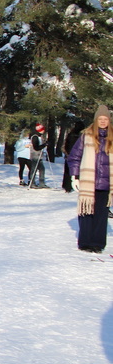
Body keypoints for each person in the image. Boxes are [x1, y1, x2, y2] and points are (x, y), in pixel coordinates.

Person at [66, 105, 112, 253]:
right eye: (100, 118)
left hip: (106, 184)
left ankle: (97, 243)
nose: (103, 121)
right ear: (96, 120)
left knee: (101, 215)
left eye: (106, 119)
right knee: (86, 212)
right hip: (88, 182)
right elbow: (74, 157)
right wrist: (75, 177)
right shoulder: (86, 136)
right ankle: (85, 242)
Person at [62, 120, 86, 193]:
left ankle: (66, 186)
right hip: (76, 155)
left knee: (67, 171)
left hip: (69, 155)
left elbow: (66, 144)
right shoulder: (81, 135)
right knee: (76, 171)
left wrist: (66, 153)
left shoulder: (70, 134)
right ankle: (74, 186)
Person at [28, 123, 49, 188]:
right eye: (42, 130)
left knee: (42, 169)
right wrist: (44, 145)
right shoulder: (35, 137)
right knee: (34, 170)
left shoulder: (40, 137)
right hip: (35, 155)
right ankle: (32, 183)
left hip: (39, 156)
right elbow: (36, 147)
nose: (43, 131)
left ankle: (41, 183)